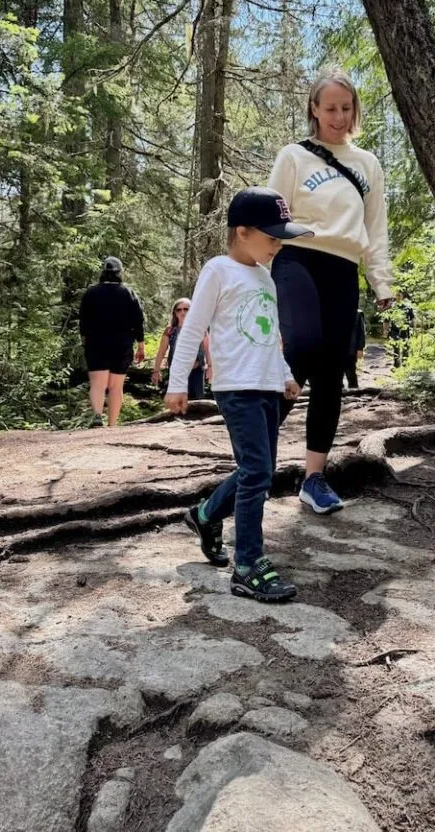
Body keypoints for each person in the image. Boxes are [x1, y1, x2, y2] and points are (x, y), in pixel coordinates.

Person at [165, 188, 310, 602]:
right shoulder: (218, 270)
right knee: (258, 474)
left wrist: (285, 374)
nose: (278, 245)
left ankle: (206, 514)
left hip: (267, 387)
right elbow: (192, 329)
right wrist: (177, 383)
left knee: (256, 470)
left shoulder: (265, 276)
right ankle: (247, 565)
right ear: (242, 232)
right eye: (272, 237)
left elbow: (270, 336)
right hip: (236, 388)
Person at [268, 69, 393, 515]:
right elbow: (270, 218)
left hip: (343, 268)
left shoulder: (367, 164)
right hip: (298, 258)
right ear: (314, 111)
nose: (339, 117)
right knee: (300, 351)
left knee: (331, 372)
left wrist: (381, 281)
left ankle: (314, 478)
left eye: (346, 108)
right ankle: (255, 457)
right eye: (330, 108)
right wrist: (257, 277)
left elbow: (374, 228)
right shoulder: (294, 157)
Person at [79, 256, 145, 427]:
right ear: (119, 272)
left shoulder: (91, 292)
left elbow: (83, 320)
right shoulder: (128, 293)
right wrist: (140, 344)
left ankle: (97, 415)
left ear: (103, 272)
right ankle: (112, 425)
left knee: (97, 384)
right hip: (122, 345)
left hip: (96, 343)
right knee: (116, 386)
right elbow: (138, 320)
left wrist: (84, 340)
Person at [151, 298, 212, 399]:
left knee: (196, 404)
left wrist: (210, 367)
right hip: (176, 373)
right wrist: (156, 371)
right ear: (174, 313)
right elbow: (161, 352)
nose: (182, 312)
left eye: (186, 309)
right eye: (178, 310)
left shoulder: (200, 329)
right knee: (177, 404)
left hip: (196, 372)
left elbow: (207, 349)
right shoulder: (170, 330)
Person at [344, 309, 366, 389]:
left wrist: (360, 348)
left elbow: (361, 332)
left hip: (351, 349)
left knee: (351, 372)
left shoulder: (358, 313)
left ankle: (354, 392)